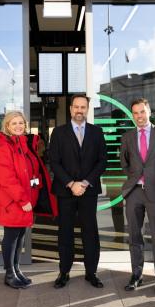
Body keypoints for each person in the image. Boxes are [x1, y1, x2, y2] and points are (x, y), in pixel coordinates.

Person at [0, 111, 57, 289]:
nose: (18, 126)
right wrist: (22, 199)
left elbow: (33, 173)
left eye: (21, 123)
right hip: (13, 203)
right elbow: (7, 180)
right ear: (7, 127)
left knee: (20, 236)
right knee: (11, 237)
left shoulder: (25, 146)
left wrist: (35, 191)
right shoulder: (3, 149)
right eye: (14, 124)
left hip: (26, 201)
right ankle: (9, 273)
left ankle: (16, 269)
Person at [49, 95, 107, 289]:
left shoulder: (97, 132)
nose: (79, 110)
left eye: (83, 107)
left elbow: (102, 161)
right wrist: (71, 183)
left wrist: (85, 182)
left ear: (88, 109)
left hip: (88, 191)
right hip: (65, 191)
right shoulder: (58, 132)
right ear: (71, 109)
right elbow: (54, 162)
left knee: (90, 233)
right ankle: (64, 272)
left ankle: (91, 272)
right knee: (65, 232)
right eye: (76, 107)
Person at [120, 98, 155, 295]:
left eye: (142, 112)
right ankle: (136, 274)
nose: (139, 116)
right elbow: (124, 163)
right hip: (134, 192)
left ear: (149, 112)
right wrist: (137, 178)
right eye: (135, 113)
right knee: (134, 236)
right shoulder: (127, 137)